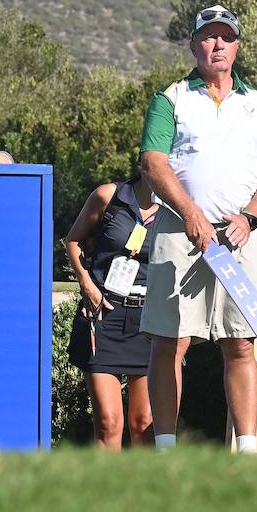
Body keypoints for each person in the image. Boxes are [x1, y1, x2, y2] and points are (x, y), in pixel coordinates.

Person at [138, 4, 257, 453]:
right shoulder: (170, 98)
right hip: (178, 231)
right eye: (208, 37)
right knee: (169, 340)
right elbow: (154, 162)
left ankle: (247, 449)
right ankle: (165, 448)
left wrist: (249, 218)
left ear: (238, 46)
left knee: (241, 342)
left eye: (226, 37)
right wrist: (190, 213)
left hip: (241, 235)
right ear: (193, 46)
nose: (217, 44)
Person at [65, 174, 158, 448]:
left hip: (150, 321)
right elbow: (73, 241)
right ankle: (106, 490)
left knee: (145, 423)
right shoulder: (110, 196)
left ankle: (145, 491)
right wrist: (87, 285)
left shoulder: (176, 208)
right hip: (103, 315)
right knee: (108, 422)